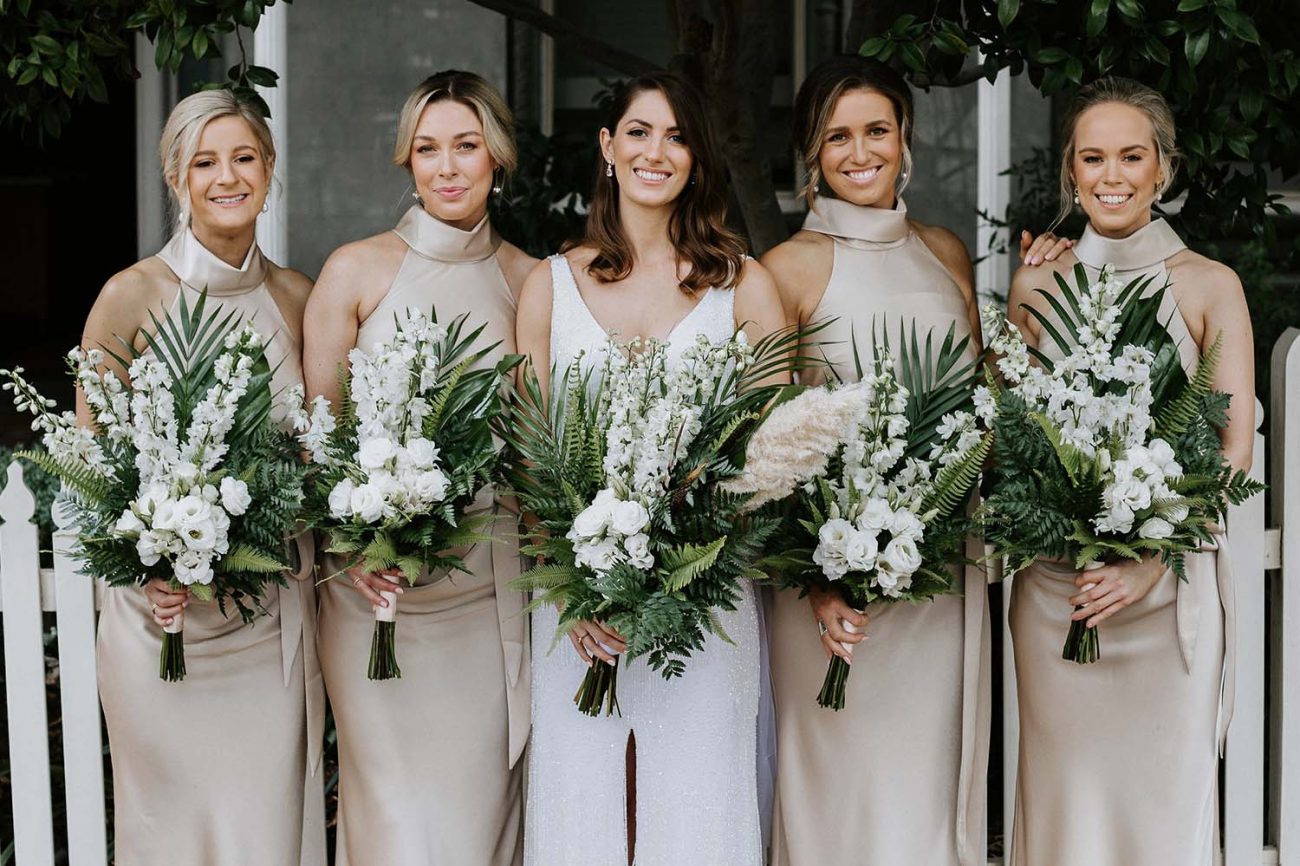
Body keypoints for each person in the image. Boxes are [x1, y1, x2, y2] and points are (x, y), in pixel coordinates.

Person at [516, 70, 787, 866]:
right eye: (638, 132)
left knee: (699, 796)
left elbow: (767, 458)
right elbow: (528, 454)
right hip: (577, 606)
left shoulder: (743, 286)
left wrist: (686, 558)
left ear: (698, 159)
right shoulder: (550, 284)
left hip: (704, 597)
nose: (655, 152)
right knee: (582, 796)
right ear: (607, 147)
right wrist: (575, 586)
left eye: (676, 136)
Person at [760, 54, 1009, 866]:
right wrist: (816, 579)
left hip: (939, 577)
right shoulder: (785, 269)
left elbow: (981, 402)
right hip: (829, 589)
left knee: (925, 792)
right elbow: (762, 445)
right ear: (812, 153)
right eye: (837, 136)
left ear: (907, 141)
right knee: (838, 783)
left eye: (877, 130)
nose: (860, 152)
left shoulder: (944, 252)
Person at [1006, 76, 1254, 866]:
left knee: (1164, 810)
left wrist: (1151, 564)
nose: (1112, 175)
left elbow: (1230, 448)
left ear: (1163, 170)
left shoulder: (1211, 285)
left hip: (1164, 594)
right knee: (1064, 803)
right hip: (1057, 594)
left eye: (1131, 156)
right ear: (1070, 175)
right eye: (1093, 158)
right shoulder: (1038, 281)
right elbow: (1013, 433)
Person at [303, 70, 535, 865]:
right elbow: (318, 437)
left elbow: (542, 448)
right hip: (379, 602)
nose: (447, 167)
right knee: (394, 821)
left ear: (496, 158)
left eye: (465, 147)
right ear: (407, 161)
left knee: (475, 827)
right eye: (428, 149)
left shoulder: (531, 281)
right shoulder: (356, 270)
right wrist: (350, 549)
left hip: (486, 598)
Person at [86, 89, 321, 865]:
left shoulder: (295, 298)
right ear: (176, 179)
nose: (227, 176)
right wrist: (146, 566)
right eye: (204, 161)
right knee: (169, 836)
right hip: (165, 623)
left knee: (262, 833)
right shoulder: (131, 295)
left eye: (244, 157)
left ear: (269, 168)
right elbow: (93, 468)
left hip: (267, 625)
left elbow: (321, 456)